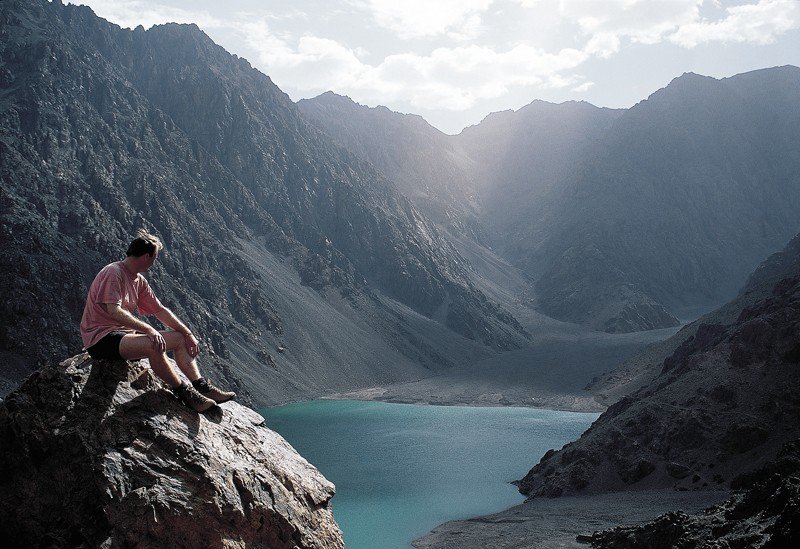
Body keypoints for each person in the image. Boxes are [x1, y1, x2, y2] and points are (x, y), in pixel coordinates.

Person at [80, 230, 235, 412]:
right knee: (154, 344)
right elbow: (113, 311)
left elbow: (159, 310)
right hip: (100, 339)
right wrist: (149, 330)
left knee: (178, 338)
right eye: (155, 257)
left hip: (122, 336)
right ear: (147, 256)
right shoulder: (113, 273)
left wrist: (187, 334)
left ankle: (201, 386)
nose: (155, 262)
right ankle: (186, 394)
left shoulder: (138, 280)